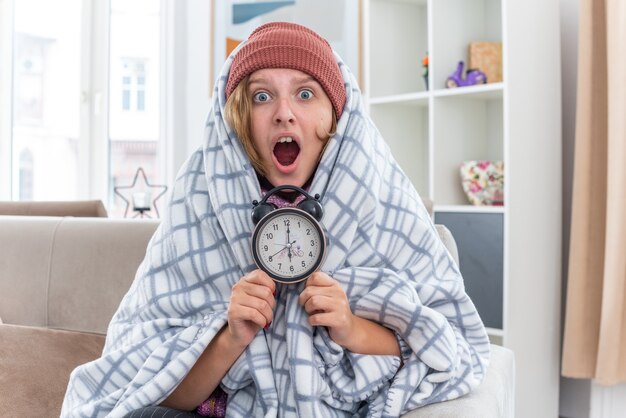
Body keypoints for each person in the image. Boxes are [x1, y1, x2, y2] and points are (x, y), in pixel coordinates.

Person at [61, 22, 490, 418]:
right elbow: (152, 392)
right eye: (261, 97)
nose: (284, 113)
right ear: (238, 120)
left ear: (335, 116)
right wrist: (231, 336)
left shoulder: (384, 203)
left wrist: (351, 327)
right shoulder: (198, 205)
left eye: (305, 94)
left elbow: (452, 348)